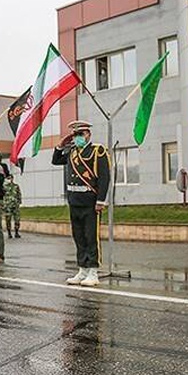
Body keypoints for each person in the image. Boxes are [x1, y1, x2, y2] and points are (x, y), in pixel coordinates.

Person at [51, 120, 110, 286]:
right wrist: (60, 146)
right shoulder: (72, 152)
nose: (78, 137)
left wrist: (101, 200)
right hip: (74, 200)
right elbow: (55, 161)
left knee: (91, 236)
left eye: (81, 134)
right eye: (75, 135)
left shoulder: (97, 151)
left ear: (88, 134)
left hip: (90, 201)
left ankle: (93, 271)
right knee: (78, 237)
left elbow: (104, 177)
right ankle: (82, 269)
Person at [3, 174, 22, 239]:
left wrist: (19, 202)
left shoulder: (16, 186)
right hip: (7, 205)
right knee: (8, 219)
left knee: (17, 219)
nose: (9, 180)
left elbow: (19, 194)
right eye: (8, 178)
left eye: (10, 178)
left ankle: (16, 232)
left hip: (15, 205)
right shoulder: (4, 187)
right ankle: (9, 233)